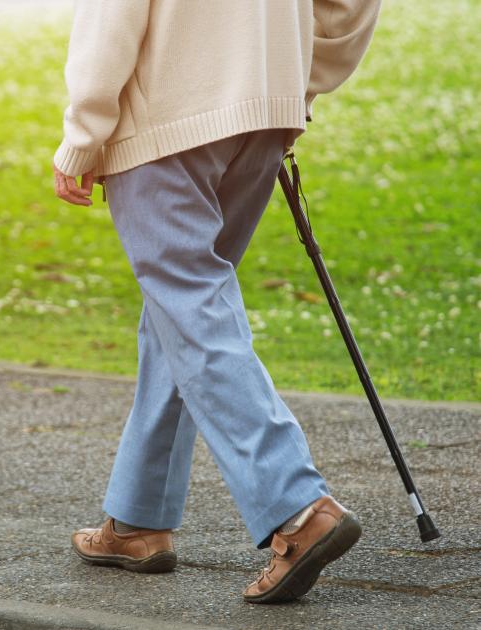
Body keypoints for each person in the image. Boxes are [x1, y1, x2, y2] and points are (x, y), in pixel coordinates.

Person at [52, 0, 382, 604]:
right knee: (178, 315)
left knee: (190, 308)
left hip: (168, 119)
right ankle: (136, 520)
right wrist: (285, 78)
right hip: (264, 113)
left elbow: (112, 14)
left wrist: (83, 135)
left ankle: (298, 507)